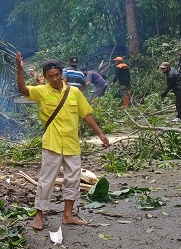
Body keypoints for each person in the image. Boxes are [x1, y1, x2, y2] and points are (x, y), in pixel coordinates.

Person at [15, 52, 109, 230]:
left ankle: (67, 215)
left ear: (62, 74)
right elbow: (23, 90)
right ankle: (39, 215)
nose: (55, 79)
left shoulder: (74, 92)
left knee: (72, 179)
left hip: (72, 143)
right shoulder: (41, 92)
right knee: (46, 180)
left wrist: (101, 134)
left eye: (57, 75)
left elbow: (86, 115)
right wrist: (20, 70)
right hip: (52, 143)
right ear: (45, 77)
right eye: (50, 76)